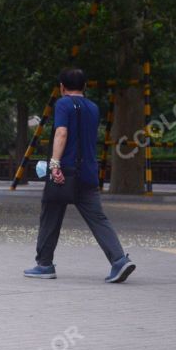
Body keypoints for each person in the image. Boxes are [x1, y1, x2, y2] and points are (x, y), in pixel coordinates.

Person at [24, 68, 134, 283]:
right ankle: (119, 260)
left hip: (64, 172)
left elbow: (62, 132)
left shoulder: (63, 104)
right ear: (85, 87)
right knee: (98, 218)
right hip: (88, 172)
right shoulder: (93, 108)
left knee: (51, 214)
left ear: (62, 88)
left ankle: (44, 264)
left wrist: (54, 164)